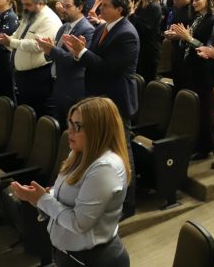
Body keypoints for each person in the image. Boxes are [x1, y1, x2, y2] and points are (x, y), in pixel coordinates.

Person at [11, 97, 131, 267]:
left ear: (98, 129)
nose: (70, 131)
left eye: (78, 126)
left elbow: (79, 223)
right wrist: (44, 195)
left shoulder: (105, 168)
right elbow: (67, 194)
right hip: (70, 256)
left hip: (93, 260)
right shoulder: (78, 154)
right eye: (70, 124)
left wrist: (42, 200)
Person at [62, 0, 139, 216]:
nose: (100, 8)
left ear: (119, 9)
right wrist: (78, 52)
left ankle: (128, 203)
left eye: (105, 5)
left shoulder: (127, 33)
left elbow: (109, 69)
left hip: (117, 99)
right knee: (101, 149)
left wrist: (83, 52)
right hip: (99, 98)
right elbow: (91, 60)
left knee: (121, 151)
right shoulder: (101, 28)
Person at [0, 0, 61, 116]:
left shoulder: (49, 19)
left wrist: (11, 42)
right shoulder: (30, 15)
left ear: (40, 2)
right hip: (23, 75)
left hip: (38, 76)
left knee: (40, 113)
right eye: (23, 4)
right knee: (26, 113)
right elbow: (17, 35)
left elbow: (38, 45)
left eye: (28, 4)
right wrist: (6, 40)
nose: (25, 8)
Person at [171, 0, 214, 159]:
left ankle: (205, 147)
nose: (194, 3)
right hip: (192, 66)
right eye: (193, 0)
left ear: (208, 0)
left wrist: (187, 38)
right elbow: (188, 41)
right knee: (194, 108)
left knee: (204, 109)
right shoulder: (197, 18)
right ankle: (195, 143)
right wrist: (180, 37)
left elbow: (205, 46)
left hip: (204, 68)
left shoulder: (212, 20)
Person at [37, 0, 95, 126]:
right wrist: (47, 50)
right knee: (57, 126)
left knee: (71, 128)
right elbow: (54, 54)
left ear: (80, 7)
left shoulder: (87, 30)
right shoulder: (64, 27)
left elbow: (77, 59)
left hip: (72, 87)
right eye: (63, 6)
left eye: (68, 6)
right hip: (58, 84)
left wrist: (51, 49)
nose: (63, 10)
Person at [128, 0, 162, 83]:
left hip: (149, 49)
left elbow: (147, 28)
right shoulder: (141, 4)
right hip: (140, 46)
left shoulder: (154, 7)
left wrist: (132, 14)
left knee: (146, 79)